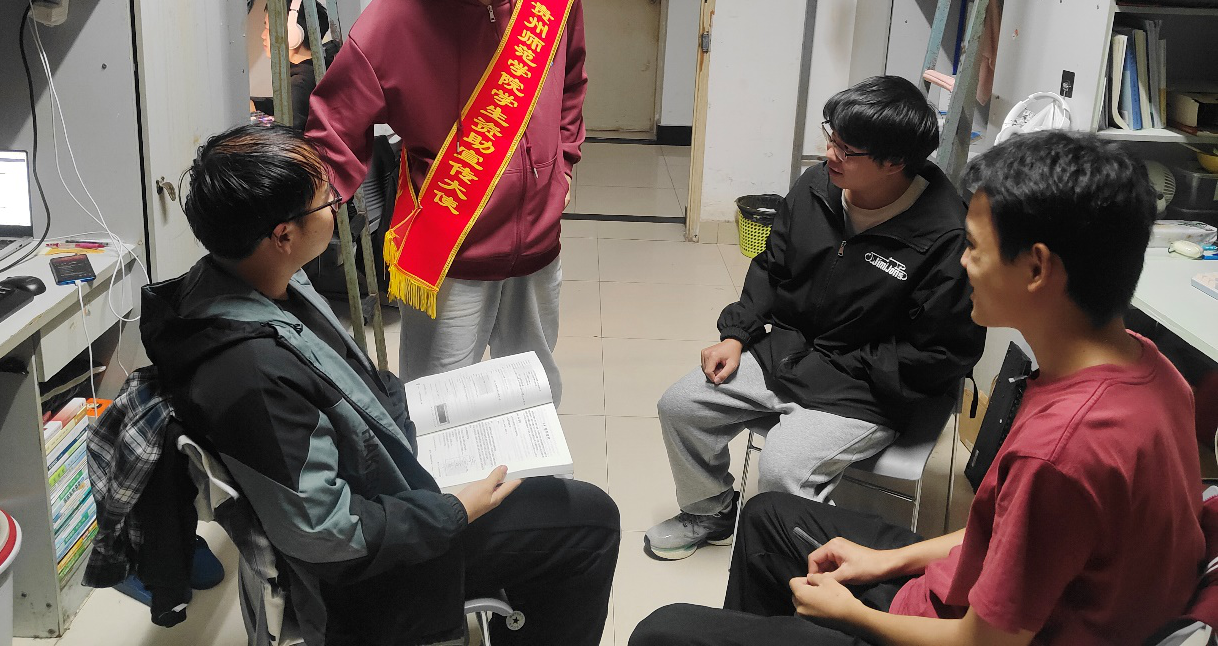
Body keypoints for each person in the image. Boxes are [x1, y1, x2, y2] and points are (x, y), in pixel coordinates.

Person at [631, 131, 1206, 646]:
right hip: (959, 583)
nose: (962, 263)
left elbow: (986, 643)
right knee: (768, 516)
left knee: (661, 632)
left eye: (974, 247)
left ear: (1036, 269)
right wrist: (884, 561)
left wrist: (854, 616)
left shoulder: (1058, 453)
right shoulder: (1154, 369)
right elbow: (999, 533)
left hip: (950, 628)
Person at [141, 124, 618, 646]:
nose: (339, 204)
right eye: (327, 200)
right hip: (379, 566)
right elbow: (326, 531)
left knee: (545, 487)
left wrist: (417, 413)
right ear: (283, 235)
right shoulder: (250, 375)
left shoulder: (257, 280)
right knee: (592, 521)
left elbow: (350, 378)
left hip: (390, 483)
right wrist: (456, 511)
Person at [646, 76, 983, 560]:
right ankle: (710, 511)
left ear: (894, 162)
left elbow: (941, 352)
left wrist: (851, 368)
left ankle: (811, 569)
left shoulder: (947, 234)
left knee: (783, 468)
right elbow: (771, 265)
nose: (830, 154)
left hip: (866, 388)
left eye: (847, 149)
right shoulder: (817, 186)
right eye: (832, 138)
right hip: (788, 351)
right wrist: (737, 335)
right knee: (681, 405)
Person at [306, 0, 586, 405]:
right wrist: (312, 217)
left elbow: (572, 84)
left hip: (538, 240)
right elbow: (332, 130)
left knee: (531, 393)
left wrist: (561, 166)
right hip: (449, 244)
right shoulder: (393, 20)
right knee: (438, 404)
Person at [257, 0, 336, 130]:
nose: (263, 35)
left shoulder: (299, 84)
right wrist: (257, 105)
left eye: (268, 29)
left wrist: (258, 120)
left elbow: (288, 135)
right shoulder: (321, 64)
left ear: (293, 35)